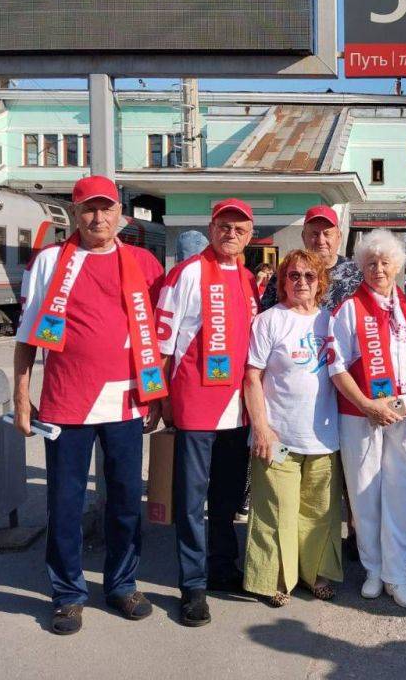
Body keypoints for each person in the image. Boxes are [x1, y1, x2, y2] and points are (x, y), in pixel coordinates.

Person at [13, 175, 164, 635]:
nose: (98, 218)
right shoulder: (50, 262)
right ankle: (67, 593)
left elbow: (158, 336)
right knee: (64, 502)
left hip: (124, 403)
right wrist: (22, 395)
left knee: (123, 502)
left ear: (121, 213)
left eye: (106, 209)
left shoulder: (143, 262)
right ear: (75, 215)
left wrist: (157, 397)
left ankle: (121, 583)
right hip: (66, 403)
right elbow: (26, 336)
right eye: (88, 209)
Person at [154, 199, 259, 626]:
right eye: (223, 226)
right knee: (192, 499)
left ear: (250, 234)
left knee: (228, 497)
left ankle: (221, 567)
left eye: (239, 227)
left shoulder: (251, 279)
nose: (230, 233)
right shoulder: (187, 273)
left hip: (238, 409)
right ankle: (193, 585)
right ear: (211, 228)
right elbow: (163, 339)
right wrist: (161, 399)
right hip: (196, 404)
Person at [328, 229, 406, 608]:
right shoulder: (349, 309)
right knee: (365, 493)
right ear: (361, 267)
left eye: (385, 262)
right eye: (370, 263)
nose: (378, 269)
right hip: (362, 415)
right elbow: (335, 366)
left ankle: (397, 572)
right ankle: (373, 568)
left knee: (403, 494)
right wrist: (368, 404)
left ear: (398, 266)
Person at [243, 250, 343, 606]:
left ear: (321, 283)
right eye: (294, 276)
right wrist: (262, 428)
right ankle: (273, 579)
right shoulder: (270, 320)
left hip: (324, 436)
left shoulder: (331, 321)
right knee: (276, 511)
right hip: (279, 436)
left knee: (319, 513)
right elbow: (252, 376)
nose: (301, 282)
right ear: (282, 281)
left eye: (309, 276)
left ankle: (313, 573)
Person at [260, 205, 362, 312]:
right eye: (315, 234)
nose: (321, 241)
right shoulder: (287, 273)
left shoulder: (357, 273)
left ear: (339, 236)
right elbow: (266, 311)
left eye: (327, 234)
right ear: (303, 236)